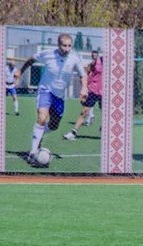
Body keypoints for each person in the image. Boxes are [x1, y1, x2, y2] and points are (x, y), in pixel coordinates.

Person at [14, 34, 88, 162]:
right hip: (45, 91)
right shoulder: (47, 54)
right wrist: (20, 71)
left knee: (54, 126)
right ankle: (33, 153)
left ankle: (40, 133)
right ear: (58, 45)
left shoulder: (75, 58)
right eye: (64, 46)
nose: (67, 49)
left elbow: (83, 75)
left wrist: (84, 87)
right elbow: (31, 60)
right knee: (42, 118)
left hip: (59, 96)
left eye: (69, 46)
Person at [64, 49, 103, 141]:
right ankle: (73, 132)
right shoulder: (95, 63)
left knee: (107, 115)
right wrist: (84, 90)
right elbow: (85, 72)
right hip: (93, 91)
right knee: (84, 112)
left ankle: (103, 130)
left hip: (104, 93)